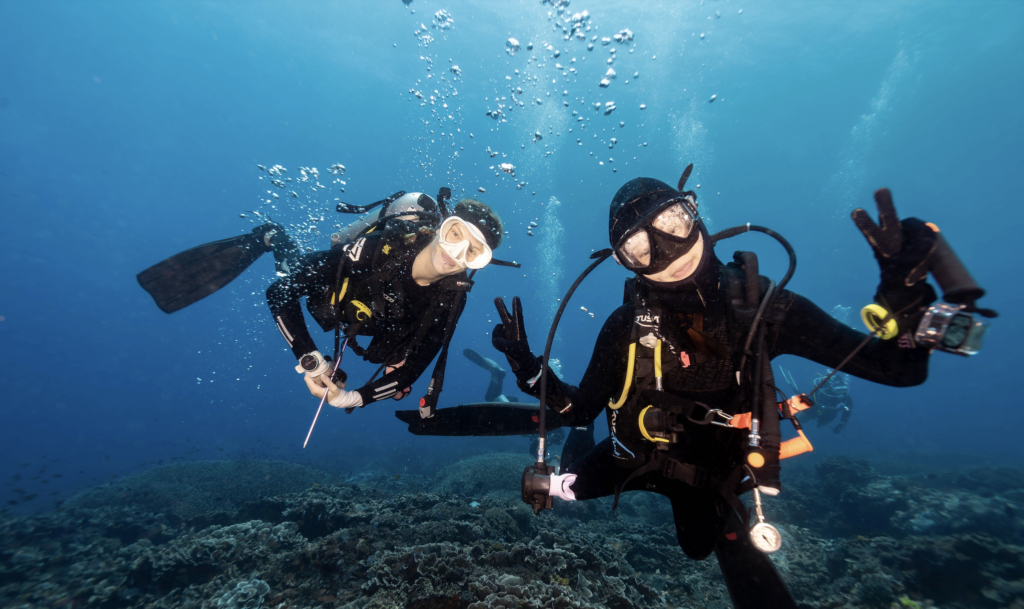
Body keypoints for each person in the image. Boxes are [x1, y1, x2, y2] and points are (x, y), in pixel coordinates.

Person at [488, 173, 939, 608]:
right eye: (641, 247)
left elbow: (898, 369)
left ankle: (716, 519)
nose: (666, 252)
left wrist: (906, 301)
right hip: (631, 458)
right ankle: (576, 456)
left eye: (671, 224)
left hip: (709, 478)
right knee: (563, 482)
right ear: (625, 262)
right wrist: (530, 371)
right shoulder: (624, 327)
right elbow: (579, 407)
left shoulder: (764, 310)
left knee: (698, 547)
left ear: (695, 214)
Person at [138, 193, 505, 418]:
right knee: (289, 272)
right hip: (332, 290)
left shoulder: (449, 302)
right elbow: (278, 295)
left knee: (394, 357)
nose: (455, 252)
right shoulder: (378, 249)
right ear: (443, 225)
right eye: (455, 233)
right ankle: (272, 236)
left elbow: (410, 375)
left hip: (368, 321)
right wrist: (311, 360)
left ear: (478, 263)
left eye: (473, 252)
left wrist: (352, 397)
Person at [779, 365, 853, 433]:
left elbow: (847, 412)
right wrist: (834, 408)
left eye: (843, 390)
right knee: (800, 420)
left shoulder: (846, 397)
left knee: (823, 423)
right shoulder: (824, 391)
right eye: (838, 390)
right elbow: (820, 405)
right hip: (814, 407)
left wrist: (841, 425)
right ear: (833, 388)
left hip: (829, 413)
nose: (841, 393)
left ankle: (819, 422)